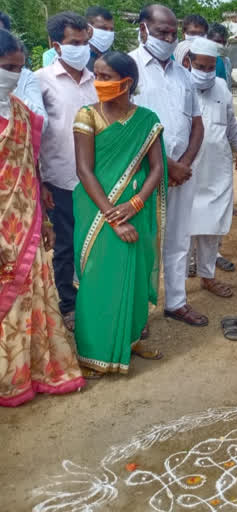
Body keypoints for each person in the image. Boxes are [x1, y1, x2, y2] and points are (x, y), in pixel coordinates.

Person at [0, 29, 86, 406]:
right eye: (6, 68)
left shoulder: (20, 112)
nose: (14, 76)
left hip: (26, 222)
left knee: (30, 296)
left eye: (19, 69)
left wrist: (44, 220)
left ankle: (29, 372)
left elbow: (30, 167)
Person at [72, 51, 167, 377]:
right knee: (99, 277)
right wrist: (113, 216)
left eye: (106, 77)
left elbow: (157, 169)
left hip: (135, 210)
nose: (98, 83)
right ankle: (92, 353)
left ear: (127, 83)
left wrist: (137, 203)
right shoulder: (87, 116)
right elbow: (84, 171)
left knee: (136, 272)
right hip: (98, 212)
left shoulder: (147, 119)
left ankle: (128, 339)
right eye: (96, 75)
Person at [130, 4, 206, 327]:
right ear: (143, 29)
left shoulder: (183, 74)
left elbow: (197, 124)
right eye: (162, 32)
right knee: (141, 241)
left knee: (177, 238)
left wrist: (184, 164)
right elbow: (127, 125)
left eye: (173, 33)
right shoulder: (129, 68)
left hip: (181, 174)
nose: (168, 38)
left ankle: (176, 302)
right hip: (142, 171)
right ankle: (136, 312)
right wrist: (166, 164)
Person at [36, 12, 98, 332]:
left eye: (85, 42)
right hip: (60, 178)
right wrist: (40, 181)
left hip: (97, 178)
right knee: (65, 245)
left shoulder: (97, 79)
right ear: (56, 45)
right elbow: (34, 134)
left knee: (95, 242)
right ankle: (68, 303)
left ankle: (95, 297)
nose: (82, 48)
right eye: (75, 43)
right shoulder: (41, 80)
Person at [178, 38, 237, 299]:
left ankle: (208, 277)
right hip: (186, 170)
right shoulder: (179, 87)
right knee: (183, 230)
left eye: (210, 67)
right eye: (201, 66)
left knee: (211, 227)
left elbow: (230, 123)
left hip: (217, 169)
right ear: (188, 62)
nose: (206, 72)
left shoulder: (221, 88)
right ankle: (178, 287)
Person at [0, 12, 48, 129]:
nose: (15, 74)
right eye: (9, 68)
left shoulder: (25, 77)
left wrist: (9, 93)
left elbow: (41, 124)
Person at [85, 6, 115, 71]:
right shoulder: (75, 56)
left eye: (112, 29)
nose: (108, 33)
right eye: (103, 28)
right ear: (88, 28)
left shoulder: (113, 60)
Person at [208, 23, 233, 89]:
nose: (221, 45)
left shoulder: (227, 61)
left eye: (224, 42)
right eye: (217, 41)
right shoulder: (203, 60)